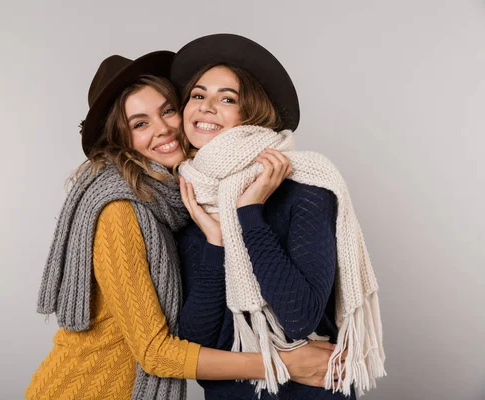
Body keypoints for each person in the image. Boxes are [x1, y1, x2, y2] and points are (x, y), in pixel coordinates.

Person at [26, 51, 343, 400]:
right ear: (121, 139)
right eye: (140, 123)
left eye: (167, 111)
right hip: (87, 389)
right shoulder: (120, 210)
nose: (163, 129)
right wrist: (282, 364)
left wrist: (222, 234)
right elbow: (155, 352)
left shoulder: (184, 202)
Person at [172, 34, 386, 399]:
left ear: (252, 112)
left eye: (227, 98)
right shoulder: (193, 195)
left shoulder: (306, 188)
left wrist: (249, 214)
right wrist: (215, 241)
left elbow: (299, 316)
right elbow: (194, 343)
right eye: (198, 95)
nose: (206, 106)